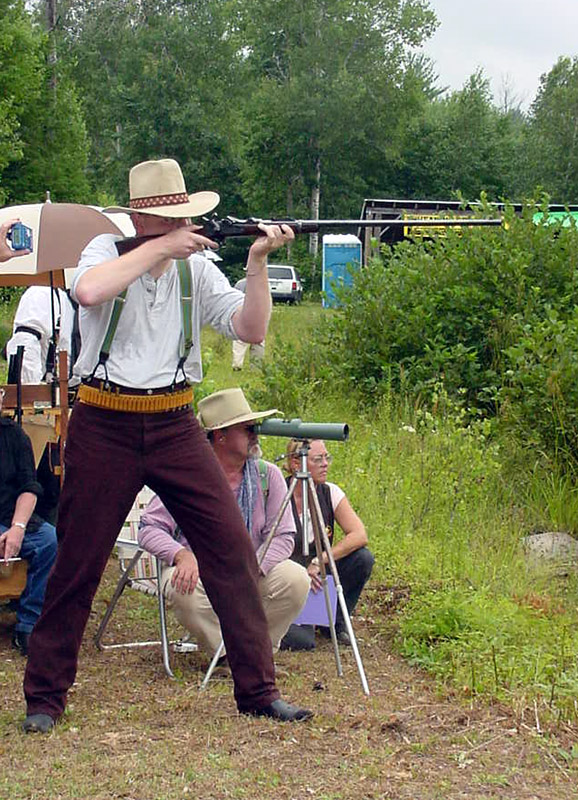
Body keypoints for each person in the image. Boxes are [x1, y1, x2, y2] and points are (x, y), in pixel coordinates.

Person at [22, 158, 313, 734]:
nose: (185, 227)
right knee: (79, 562)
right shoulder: (107, 250)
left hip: (176, 420)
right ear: (139, 219)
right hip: (104, 420)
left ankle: (258, 691)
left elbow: (251, 329)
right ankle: (45, 698)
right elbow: (87, 290)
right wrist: (161, 248)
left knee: (230, 551)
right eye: (173, 220)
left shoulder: (196, 269)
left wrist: (257, 264)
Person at [138, 388, 310, 658]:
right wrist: (181, 556)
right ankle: (227, 653)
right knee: (184, 588)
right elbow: (149, 528)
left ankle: (253, 654)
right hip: (201, 571)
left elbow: (284, 534)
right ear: (221, 436)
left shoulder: (268, 475)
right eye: (247, 428)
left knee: (296, 579)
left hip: (252, 568)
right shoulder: (188, 476)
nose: (255, 434)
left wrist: (254, 568)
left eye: (255, 427)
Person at [280, 439, 374, 651]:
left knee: (362, 558)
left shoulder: (330, 492)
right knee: (302, 642)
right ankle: (295, 619)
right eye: (318, 459)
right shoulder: (278, 492)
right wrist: (301, 573)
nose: (325, 464)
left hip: (319, 574)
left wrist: (319, 560)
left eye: (327, 457)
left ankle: (336, 620)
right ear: (297, 464)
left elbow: (359, 534)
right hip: (288, 577)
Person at [0, 388, 58, 656]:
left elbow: (29, 487)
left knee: (48, 540)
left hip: (11, 517)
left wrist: (18, 528)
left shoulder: (13, 435)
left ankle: (28, 624)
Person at [5, 286, 76, 384]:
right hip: (28, 352)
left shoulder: (34, 291)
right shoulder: (64, 302)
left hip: (18, 346)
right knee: (29, 393)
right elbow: (64, 345)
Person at [231, 278, 265, 370]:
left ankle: (237, 364)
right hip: (258, 314)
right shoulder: (262, 283)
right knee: (258, 341)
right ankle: (256, 366)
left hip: (242, 313)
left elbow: (234, 299)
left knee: (239, 340)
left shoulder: (240, 283)